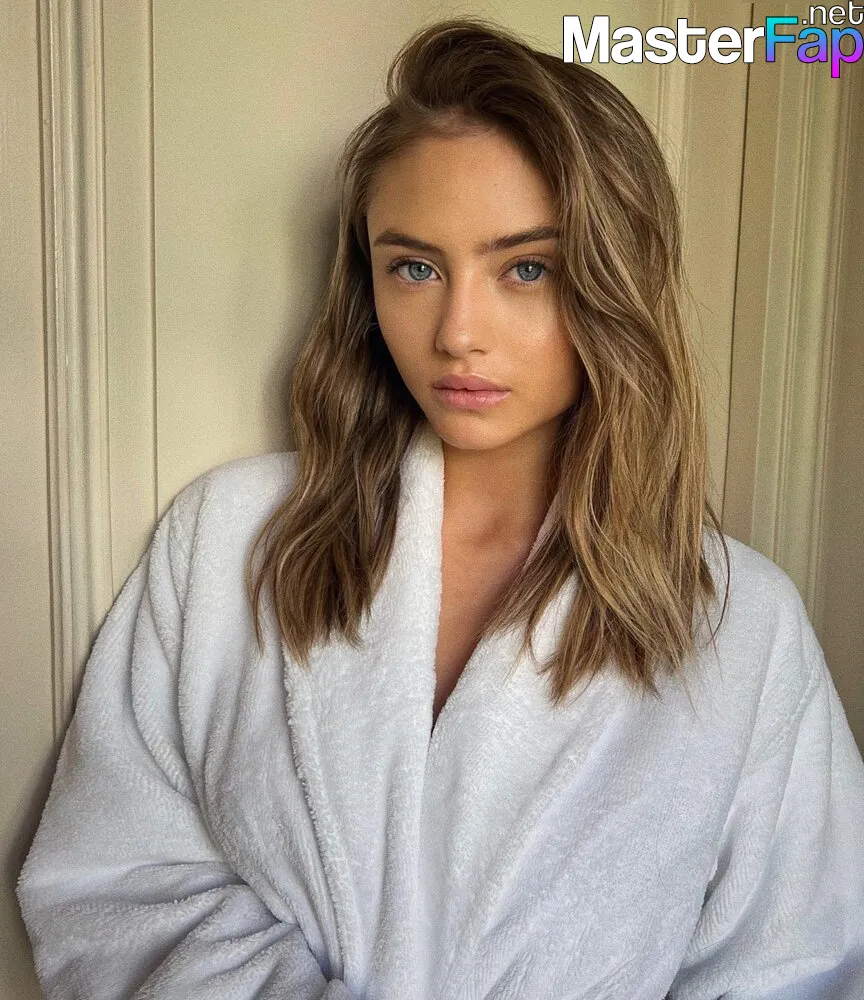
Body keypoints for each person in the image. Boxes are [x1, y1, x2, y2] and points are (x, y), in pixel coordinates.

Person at [16, 16, 864, 1000]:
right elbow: (116, 883)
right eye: (414, 267)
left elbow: (805, 963)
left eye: (526, 268)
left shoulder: (742, 628)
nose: (458, 331)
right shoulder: (227, 545)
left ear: (615, 282)